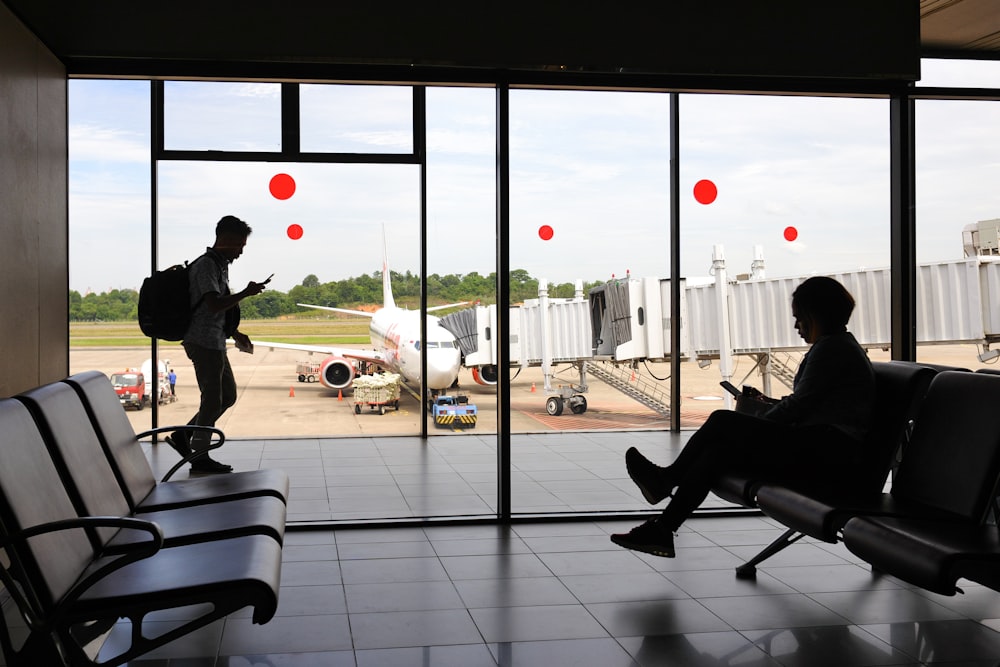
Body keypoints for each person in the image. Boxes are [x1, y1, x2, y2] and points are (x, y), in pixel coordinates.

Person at [611, 276, 876, 558]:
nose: (797, 326)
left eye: (799, 318)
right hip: (824, 448)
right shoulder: (841, 346)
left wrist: (759, 422)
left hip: (826, 453)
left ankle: (666, 481)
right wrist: (766, 411)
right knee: (716, 453)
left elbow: (800, 407)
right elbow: (812, 403)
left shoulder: (832, 349)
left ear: (814, 315)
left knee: (723, 421)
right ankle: (663, 527)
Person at [165, 215, 268, 474]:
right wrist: (245, 292)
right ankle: (199, 457)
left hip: (215, 340)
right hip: (202, 341)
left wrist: (235, 332)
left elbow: (215, 310)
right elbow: (212, 304)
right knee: (212, 399)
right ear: (226, 239)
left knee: (228, 396)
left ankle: (183, 436)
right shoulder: (206, 266)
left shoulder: (220, 265)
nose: (241, 252)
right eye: (239, 245)